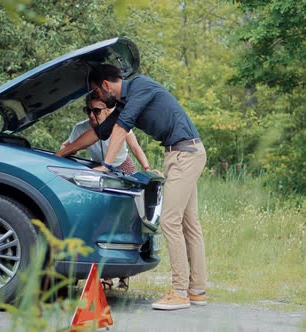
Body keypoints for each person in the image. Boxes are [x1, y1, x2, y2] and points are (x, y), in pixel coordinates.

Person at [60, 63, 208, 310]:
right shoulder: (125, 103)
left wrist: (106, 166)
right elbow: (99, 133)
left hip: (185, 154)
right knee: (188, 223)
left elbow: (120, 129)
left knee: (170, 220)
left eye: (96, 92)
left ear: (105, 86)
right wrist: (63, 151)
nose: (96, 98)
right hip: (181, 153)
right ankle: (197, 291)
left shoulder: (140, 86)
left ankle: (180, 291)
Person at [57, 93, 151, 291]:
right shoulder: (81, 128)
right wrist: (58, 157)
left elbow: (135, 147)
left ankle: (124, 275)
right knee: (106, 219)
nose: (92, 114)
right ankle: (106, 275)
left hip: (123, 166)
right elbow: (69, 146)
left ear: (108, 109)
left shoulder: (120, 123)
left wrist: (147, 168)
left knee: (128, 218)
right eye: (88, 110)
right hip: (101, 169)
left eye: (96, 110)